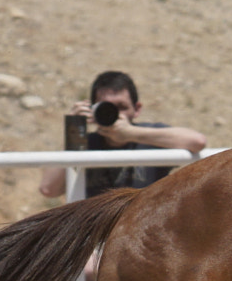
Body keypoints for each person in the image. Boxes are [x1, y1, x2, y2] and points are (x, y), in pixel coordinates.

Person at [37, 71, 209, 200]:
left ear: (137, 109)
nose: (116, 114)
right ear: (93, 110)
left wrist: (132, 134)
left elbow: (197, 141)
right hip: (96, 234)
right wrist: (74, 132)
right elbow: (48, 189)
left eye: (122, 107)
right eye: (107, 107)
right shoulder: (84, 144)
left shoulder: (152, 137)